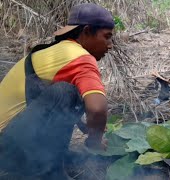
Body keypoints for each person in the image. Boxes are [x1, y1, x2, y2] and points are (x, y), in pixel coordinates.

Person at [0, 3, 114, 179]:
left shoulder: (58, 51)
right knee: (66, 92)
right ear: (87, 31)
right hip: (8, 149)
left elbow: (47, 103)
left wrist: (84, 124)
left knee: (71, 92)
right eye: (107, 37)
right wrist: (95, 141)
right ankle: (48, 173)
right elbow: (97, 108)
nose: (110, 45)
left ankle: (51, 162)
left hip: (9, 141)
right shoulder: (81, 58)